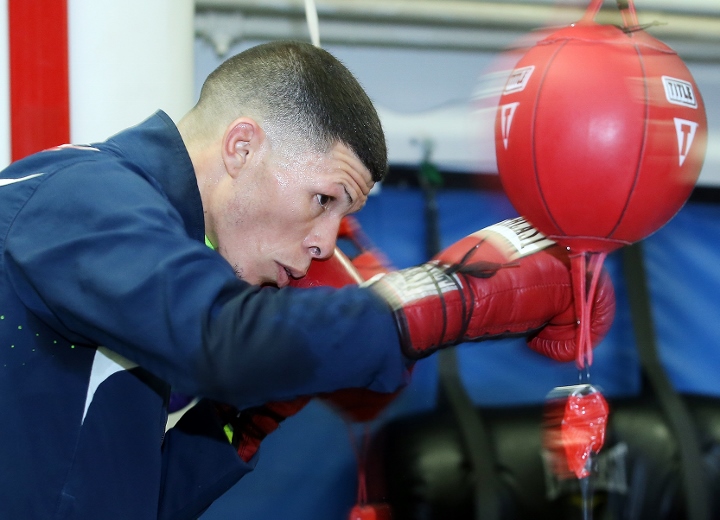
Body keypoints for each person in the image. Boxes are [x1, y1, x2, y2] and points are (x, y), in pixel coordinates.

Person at [0, 40, 615, 519]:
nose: (325, 240)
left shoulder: (138, 262)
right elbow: (224, 340)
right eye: (323, 197)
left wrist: (245, 417)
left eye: (342, 215)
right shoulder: (80, 195)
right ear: (241, 147)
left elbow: (115, 498)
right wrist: (435, 299)